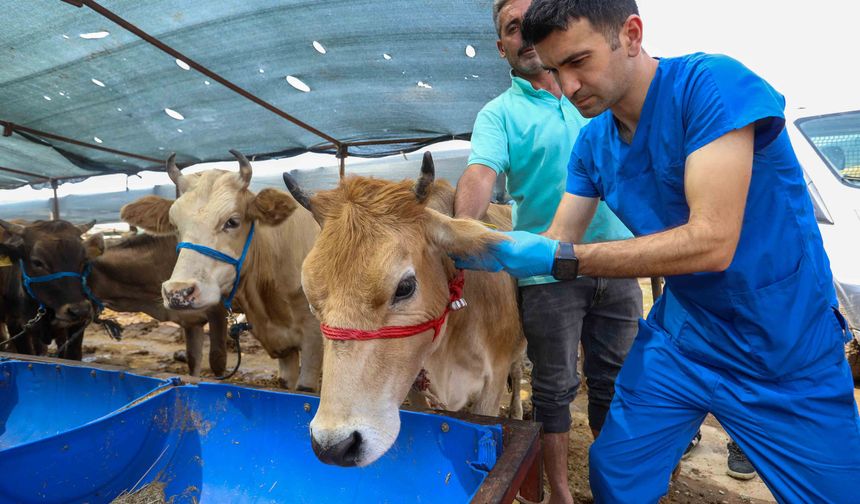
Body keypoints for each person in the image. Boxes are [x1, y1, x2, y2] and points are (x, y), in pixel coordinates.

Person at [453, 0, 860, 502]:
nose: (568, 86)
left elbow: (712, 242)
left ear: (631, 33)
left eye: (579, 61)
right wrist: (477, 243)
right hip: (688, 336)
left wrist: (562, 258)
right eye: (557, 70)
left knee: (835, 492)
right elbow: (559, 236)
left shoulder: (710, 86)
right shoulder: (594, 144)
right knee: (617, 468)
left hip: (784, 340)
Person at [455, 0, 642, 502]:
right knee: (554, 388)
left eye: (534, 23)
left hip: (623, 261)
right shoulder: (499, 113)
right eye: (514, 28)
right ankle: (559, 493)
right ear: (502, 47)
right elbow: (481, 172)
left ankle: (612, 485)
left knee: (616, 383)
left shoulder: (594, 93)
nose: (527, 35)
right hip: (548, 273)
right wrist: (461, 231)